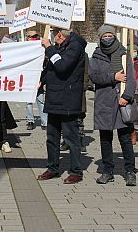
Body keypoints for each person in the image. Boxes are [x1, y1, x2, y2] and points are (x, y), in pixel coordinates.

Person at [89, 24, 137, 187]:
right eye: (105, 35)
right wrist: (113, 77)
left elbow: (131, 78)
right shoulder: (96, 55)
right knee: (105, 138)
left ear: (115, 36)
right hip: (103, 102)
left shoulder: (123, 54)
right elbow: (94, 77)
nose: (108, 38)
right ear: (100, 37)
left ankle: (130, 171)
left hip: (121, 101)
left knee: (125, 138)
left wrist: (127, 96)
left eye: (110, 35)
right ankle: (107, 171)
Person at [37, 28, 86, 184]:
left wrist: (50, 48)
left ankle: (76, 171)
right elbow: (51, 68)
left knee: (71, 137)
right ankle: (52, 168)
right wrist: (41, 81)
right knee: (52, 137)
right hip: (54, 98)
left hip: (68, 99)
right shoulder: (60, 47)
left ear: (60, 35)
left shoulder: (75, 46)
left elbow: (62, 66)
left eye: (56, 36)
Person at [61, 52, 89, 152]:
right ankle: (66, 140)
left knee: (79, 118)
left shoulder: (83, 54)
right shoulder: (61, 52)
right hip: (64, 90)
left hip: (78, 89)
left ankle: (80, 139)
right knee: (64, 117)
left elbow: (86, 72)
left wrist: (84, 86)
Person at [25, 30, 47, 130]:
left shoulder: (41, 48)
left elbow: (45, 65)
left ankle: (44, 122)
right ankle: (30, 121)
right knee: (29, 102)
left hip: (39, 79)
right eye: (31, 36)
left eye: (35, 36)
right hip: (28, 79)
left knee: (40, 101)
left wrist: (42, 80)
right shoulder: (24, 49)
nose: (33, 38)